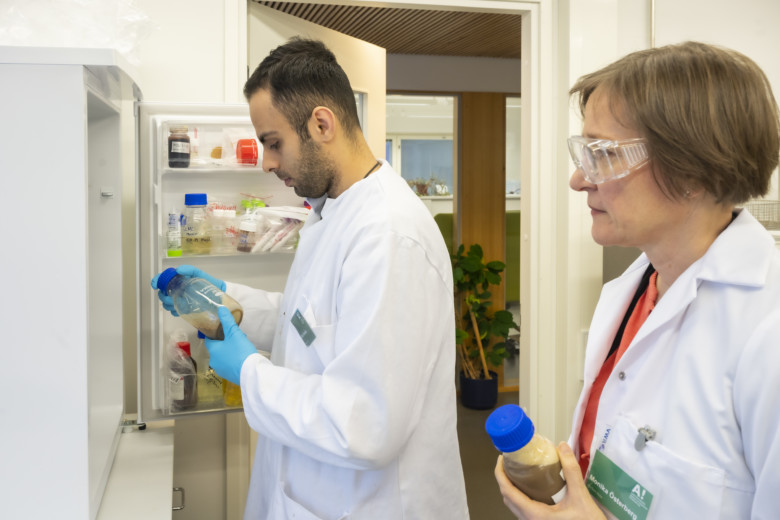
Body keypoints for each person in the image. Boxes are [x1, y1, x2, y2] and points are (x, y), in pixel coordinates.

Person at [153, 38, 469, 519]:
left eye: (273, 143)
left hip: (371, 503)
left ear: (322, 123)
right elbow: (308, 324)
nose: (267, 163)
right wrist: (223, 302)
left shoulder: (387, 234)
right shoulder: (335, 212)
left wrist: (251, 374)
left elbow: (365, 424)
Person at [495, 41, 780, 519]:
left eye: (602, 155)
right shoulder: (634, 290)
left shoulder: (766, 332)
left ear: (692, 168)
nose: (578, 180)